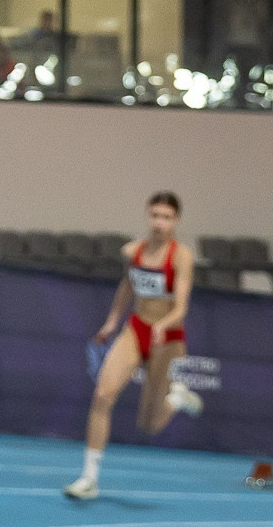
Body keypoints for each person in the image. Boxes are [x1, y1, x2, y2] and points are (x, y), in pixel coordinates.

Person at [66, 192, 202, 500]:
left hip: (166, 338)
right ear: (147, 215)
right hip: (136, 329)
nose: (159, 223)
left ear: (176, 221)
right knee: (102, 394)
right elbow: (127, 286)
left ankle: (176, 400)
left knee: (149, 425)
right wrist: (112, 322)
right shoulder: (133, 251)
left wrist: (163, 325)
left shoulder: (181, 256)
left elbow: (181, 307)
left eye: (166, 218)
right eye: (155, 215)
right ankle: (89, 478)